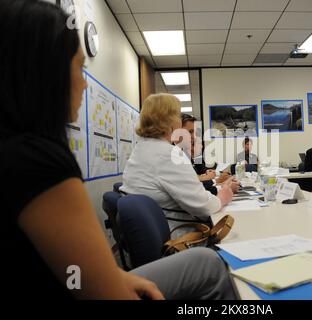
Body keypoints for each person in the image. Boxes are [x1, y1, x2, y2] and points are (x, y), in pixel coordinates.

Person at [0, 0, 236, 300]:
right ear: (45, 74)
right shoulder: (37, 160)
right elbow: (103, 292)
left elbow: (81, 272)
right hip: (170, 239)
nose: (84, 85)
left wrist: (114, 277)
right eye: (79, 68)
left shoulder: (15, 151)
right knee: (210, 265)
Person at [120, 94, 234, 235]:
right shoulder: (167, 154)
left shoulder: (141, 149)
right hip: (179, 236)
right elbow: (203, 206)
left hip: (154, 232)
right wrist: (222, 197)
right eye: (178, 116)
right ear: (170, 120)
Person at [180, 113, 239, 195]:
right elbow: (192, 185)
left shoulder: (193, 154)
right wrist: (218, 183)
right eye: (190, 132)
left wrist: (211, 174)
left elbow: (201, 171)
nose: (194, 137)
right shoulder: (177, 155)